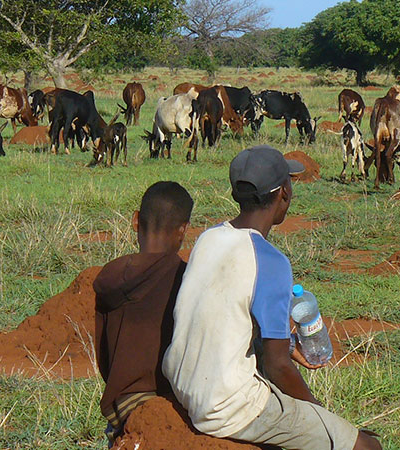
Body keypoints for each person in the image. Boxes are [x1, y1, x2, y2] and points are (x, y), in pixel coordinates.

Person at [163, 145, 382, 450]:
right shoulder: (271, 260)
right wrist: (320, 415)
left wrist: (287, 344)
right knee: (366, 447)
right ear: (284, 194)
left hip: (183, 386)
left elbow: (225, 315)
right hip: (225, 407)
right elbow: (277, 365)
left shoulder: (209, 237)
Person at [93, 181, 194, 444]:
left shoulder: (109, 278)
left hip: (120, 407)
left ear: (135, 220)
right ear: (183, 230)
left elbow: (103, 353)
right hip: (164, 409)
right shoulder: (184, 278)